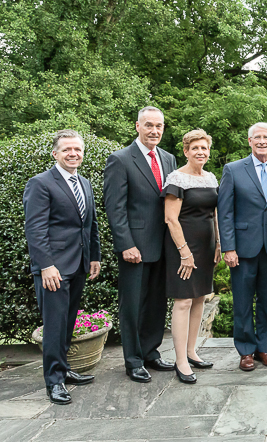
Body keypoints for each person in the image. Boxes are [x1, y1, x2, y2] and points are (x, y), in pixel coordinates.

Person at [24, 130, 102, 405]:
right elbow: (35, 229)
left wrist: (95, 256)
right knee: (55, 325)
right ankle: (54, 381)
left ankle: (65, 369)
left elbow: (89, 225)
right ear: (55, 153)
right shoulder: (41, 183)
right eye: (67, 149)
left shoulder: (85, 183)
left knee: (68, 322)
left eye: (78, 149)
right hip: (53, 269)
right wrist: (46, 266)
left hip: (78, 265)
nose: (73, 154)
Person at [104, 107, 176, 382]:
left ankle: (151, 352)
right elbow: (115, 207)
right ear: (137, 126)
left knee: (157, 303)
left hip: (163, 246)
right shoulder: (120, 160)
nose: (154, 131)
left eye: (159, 126)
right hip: (134, 247)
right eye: (148, 125)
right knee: (132, 305)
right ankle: (133, 359)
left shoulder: (168, 159)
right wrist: (126, 244)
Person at [218, 123, 267, 371]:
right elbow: (225, 212)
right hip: (242, 248)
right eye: (257, 137)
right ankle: (245, 351)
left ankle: (264, 348)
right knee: (242, 300)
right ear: (249, 141)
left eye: (266, 137)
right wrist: (229, 247)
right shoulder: (233, 169)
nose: (262, 141)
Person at [163, 130, 220, 384]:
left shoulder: (210, 177)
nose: (200, 152)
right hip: (182, 248)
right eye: (195, 148)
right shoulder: (176, 178)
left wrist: (219, 242)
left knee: (199, 299)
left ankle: (191, 351)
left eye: (204, 148)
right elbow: (170, 218)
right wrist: (184, 252)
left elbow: (215, 213)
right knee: (184, 301)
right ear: (186, 151)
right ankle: (180, 360)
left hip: (206, 246)